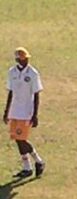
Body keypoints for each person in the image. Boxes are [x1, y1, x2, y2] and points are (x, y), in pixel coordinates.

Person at [5, 48, 45, 179]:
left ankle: (38, 161)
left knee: (22, 138)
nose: (26, 60)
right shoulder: (12, 72)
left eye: (27, 58)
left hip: (26, 111)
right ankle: (27, 167)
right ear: (17, 59)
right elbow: (10, 92)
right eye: (23, 58)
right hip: (15, 110)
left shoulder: (33, 73)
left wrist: (35, 114)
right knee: (17, 139)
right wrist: (6, 111)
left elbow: (36, 94)